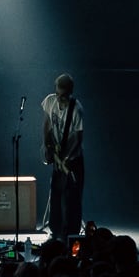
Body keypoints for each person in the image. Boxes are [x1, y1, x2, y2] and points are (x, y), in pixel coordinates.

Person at [41, 73, 85, 238]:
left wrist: (66, 158)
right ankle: (55, 231)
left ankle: (70, 235)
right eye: (58, 93)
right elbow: (46, 124)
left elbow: (78, 139)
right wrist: (47, 145)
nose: (60, 98)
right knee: (56, 193)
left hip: (73, 160)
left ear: (70, 92)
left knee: (72, 198)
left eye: (64, 95)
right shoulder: (50, 101)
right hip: (57, 154)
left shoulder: (76, 109)